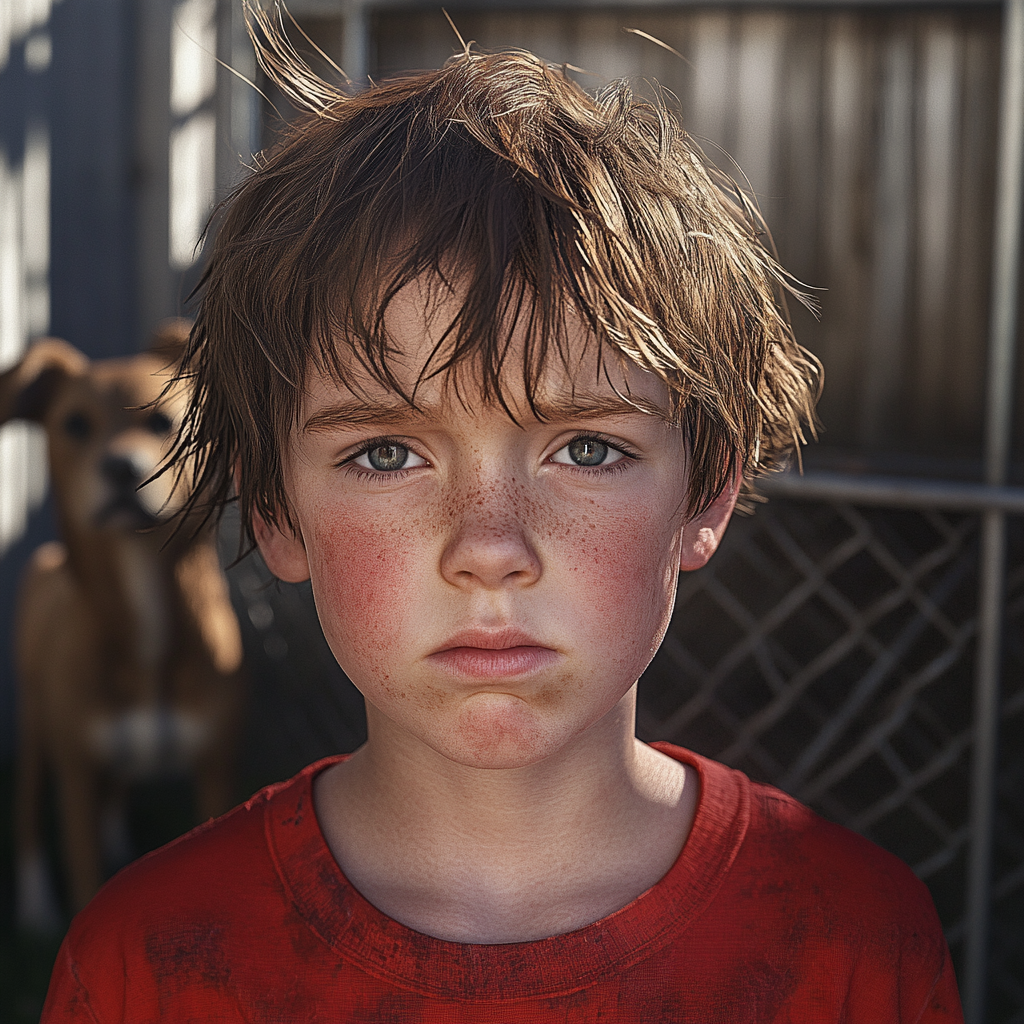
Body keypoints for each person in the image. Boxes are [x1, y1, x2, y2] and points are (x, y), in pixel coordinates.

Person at [40, 16, 962, 1022]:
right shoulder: (148, 964)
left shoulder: (854, 944)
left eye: (586, 448)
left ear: (706, 493)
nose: (489, 549)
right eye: (386, 453)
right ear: (274, 510)